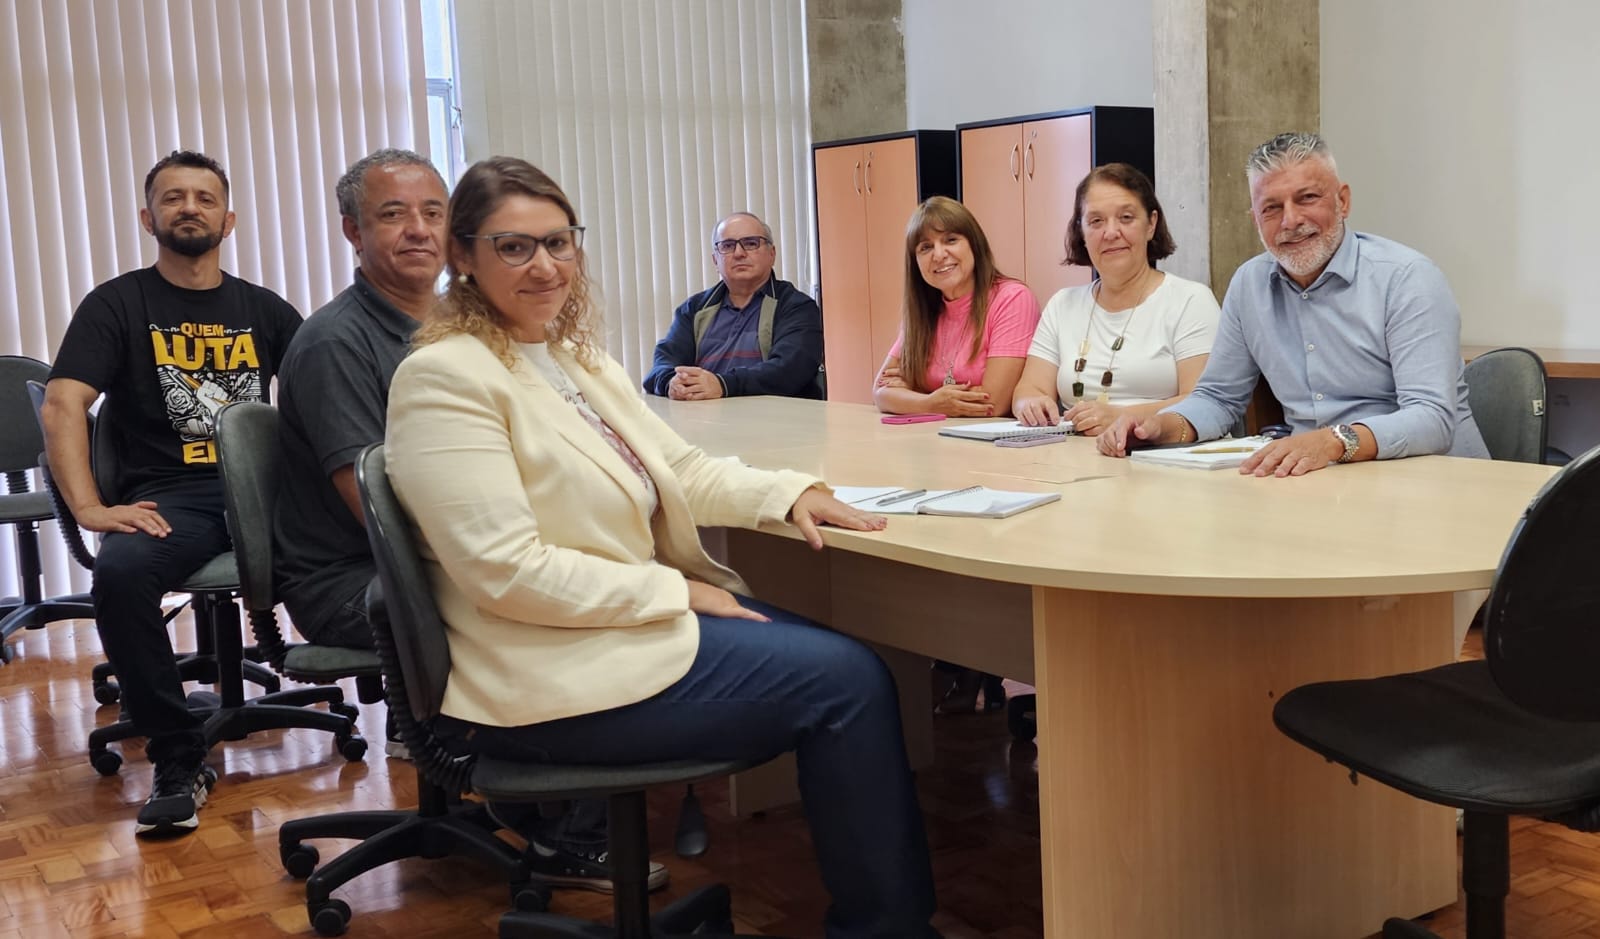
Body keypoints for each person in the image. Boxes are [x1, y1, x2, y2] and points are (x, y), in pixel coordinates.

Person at [384, 156, 940, 938]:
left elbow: (678, 468)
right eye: (515, 247)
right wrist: (676, 592)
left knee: (841, 661)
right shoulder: (443, 378)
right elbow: (505, 573)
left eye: (559, 242)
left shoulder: (574, 360)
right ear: (465, 257)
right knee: (846, 683)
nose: (545, 265)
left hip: (610, 630)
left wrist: (787, 494)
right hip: (545, 672)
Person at [273, 149, 664, 894]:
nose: (418, 230)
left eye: (433, 213)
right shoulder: (336, 345)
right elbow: (381, 513)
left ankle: (572, 783)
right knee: (549, 604)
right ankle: (564, 828)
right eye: (393, 214)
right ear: (353, 231)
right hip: (358, 575)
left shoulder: (470, 327)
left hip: (434, 554)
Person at [41, 150, 302, 837]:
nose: (190, 207)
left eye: (205, 197)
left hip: (264, 494)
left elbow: (316, 408)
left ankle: (415, 724)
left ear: (229, 218)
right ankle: (180, 755)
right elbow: (64, 404)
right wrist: (91, 508)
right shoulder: (117, 304)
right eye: (174, 197)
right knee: (122, 575)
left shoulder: (266, 311)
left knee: (385, 539)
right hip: (172, 498)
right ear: (148, 216)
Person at [1098, 131, 1488, 474]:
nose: (1290, 221)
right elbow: (1218, 398)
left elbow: (1432, 419)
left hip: (1435, 485)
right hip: (1322, 484)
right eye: (1271, 208)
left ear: (1343, 201)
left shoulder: (1407, 278)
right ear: (1255, 219)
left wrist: (1331, 442)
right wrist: (1158, 427)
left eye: (1307, 198)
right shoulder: (1249, 284)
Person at [1012, 164, 1219, 435]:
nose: (1110, 233)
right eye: (1096, 221)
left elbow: (1204, 402)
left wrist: (1122, 417)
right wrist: (1031, 404)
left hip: (1159, 454)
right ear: (1082, 232)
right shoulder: (1062, 305)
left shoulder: (1190, 300)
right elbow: (1029, 388)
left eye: (1126, 217)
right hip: (1074, 457)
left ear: (1151, 224)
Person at [872, 196, 1040, 418]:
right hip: (931, 439)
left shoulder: (1012, 298)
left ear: (974, 245)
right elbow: (881, 392)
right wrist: (931, 403)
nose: (939, 255)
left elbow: (994, 402)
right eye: (926, 247)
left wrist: (916, 394)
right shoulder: (921, 313)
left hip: (992, 445)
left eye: (951, 240)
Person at [642, 212, 823, 400]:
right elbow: (662, 364)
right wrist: (672, 382)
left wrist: (722, 385)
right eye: (727, 246)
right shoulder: (693, 309)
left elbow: (790, 371)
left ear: (772, 254)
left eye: (751, 243)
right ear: (715, 261)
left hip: (775, 423)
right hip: (703, 421)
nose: (739, 253)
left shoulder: (796, 307)